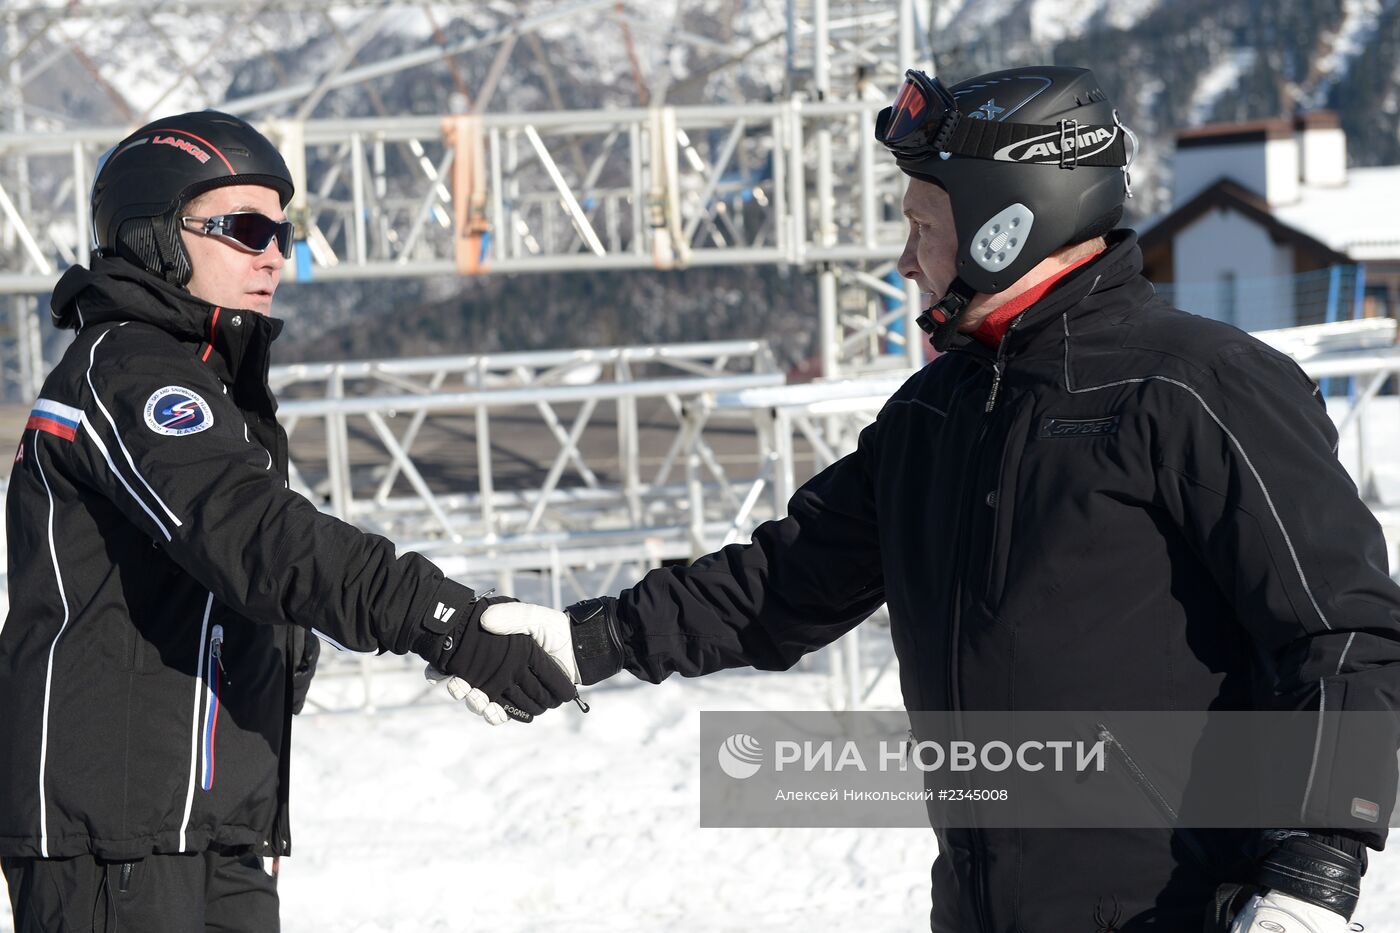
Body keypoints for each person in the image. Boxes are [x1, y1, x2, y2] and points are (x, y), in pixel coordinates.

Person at [469, 67, 1400, 931]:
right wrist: (587, 640)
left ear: (1010, 221)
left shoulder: (1198, 387)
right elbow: (782, 580)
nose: (908, 259)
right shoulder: (935, 416)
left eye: (923, 224)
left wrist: (1316, 871)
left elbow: (1343, 633)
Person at [0, 110, 574, 931]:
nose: (276, 251)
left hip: (213, 823)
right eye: (245, 227)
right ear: (156, 237)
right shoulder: (125, 373)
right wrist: (443, 618)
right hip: (116, 838)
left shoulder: (208, 383)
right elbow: (254, 536)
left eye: (285, 228)